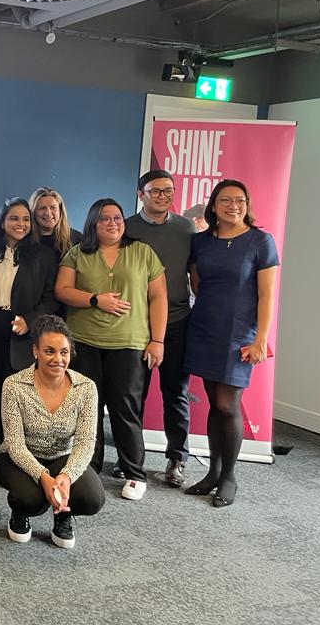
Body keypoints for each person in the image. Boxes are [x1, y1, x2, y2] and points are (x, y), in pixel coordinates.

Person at [55, 198, 168, 501]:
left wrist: (158, 340)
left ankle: (134, 472)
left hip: (129, 343)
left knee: (125, 409)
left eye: (117, 218)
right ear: (93, 223)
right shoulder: (77, 254)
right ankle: (88, 466)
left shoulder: (142, 252)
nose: (113, 223)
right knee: (87, 410)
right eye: (105, 219)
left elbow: (158, 297)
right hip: (85, 342)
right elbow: (62, 291)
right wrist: (95, 299)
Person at [184, 179, 279, 508]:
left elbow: (267, 294)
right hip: (205, 327)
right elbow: (197, 281)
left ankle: (229, 477)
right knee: (214, 402)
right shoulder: (201, 242)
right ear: (213, 205)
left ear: (247, 205)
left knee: (227, 404)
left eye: (240, 200)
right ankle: (212, 471)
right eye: (226, 200)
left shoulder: (260, 241)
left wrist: (260, 339)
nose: (233, 205)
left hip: (239, 333)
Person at [0, 315, 104, 549]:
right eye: (49, 351)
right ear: (35, 351)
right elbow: (14, 444)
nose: (58, 359)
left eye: (64, 352)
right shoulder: (13, 385)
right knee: (31, 500)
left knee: (92, 499)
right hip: (19, 457)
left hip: (61, 457)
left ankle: (63, 514)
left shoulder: (86, 388)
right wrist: (44, 478)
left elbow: (85, 443)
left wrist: (65, 478)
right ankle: (20, 512)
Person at [0, 198, 58, 471]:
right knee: (0, 394)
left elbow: (51, 298)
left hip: (24, 332)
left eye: (25, 219)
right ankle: (7, 452)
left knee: (25, 397)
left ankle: (30, 455)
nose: (20, 224)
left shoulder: (43, 255)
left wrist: (30, 322)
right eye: (14, 218)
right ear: (2, 221)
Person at [124, 170, 195, 487]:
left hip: (178, 321)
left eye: (169, 191)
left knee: (175, 393)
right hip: (136, 324)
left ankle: (177, 459)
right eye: (155, 192)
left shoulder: (185, 227)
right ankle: (131, 458)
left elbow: (193, 271)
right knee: (132, 395)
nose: (163, 196)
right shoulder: (126, 227)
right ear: (141, 194)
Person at [29, 187, 82, 259]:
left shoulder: (76, 239)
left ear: (60, 211)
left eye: (53, 207)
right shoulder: (26, 240)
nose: (48, 213)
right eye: (42, 208)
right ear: (33, 212)